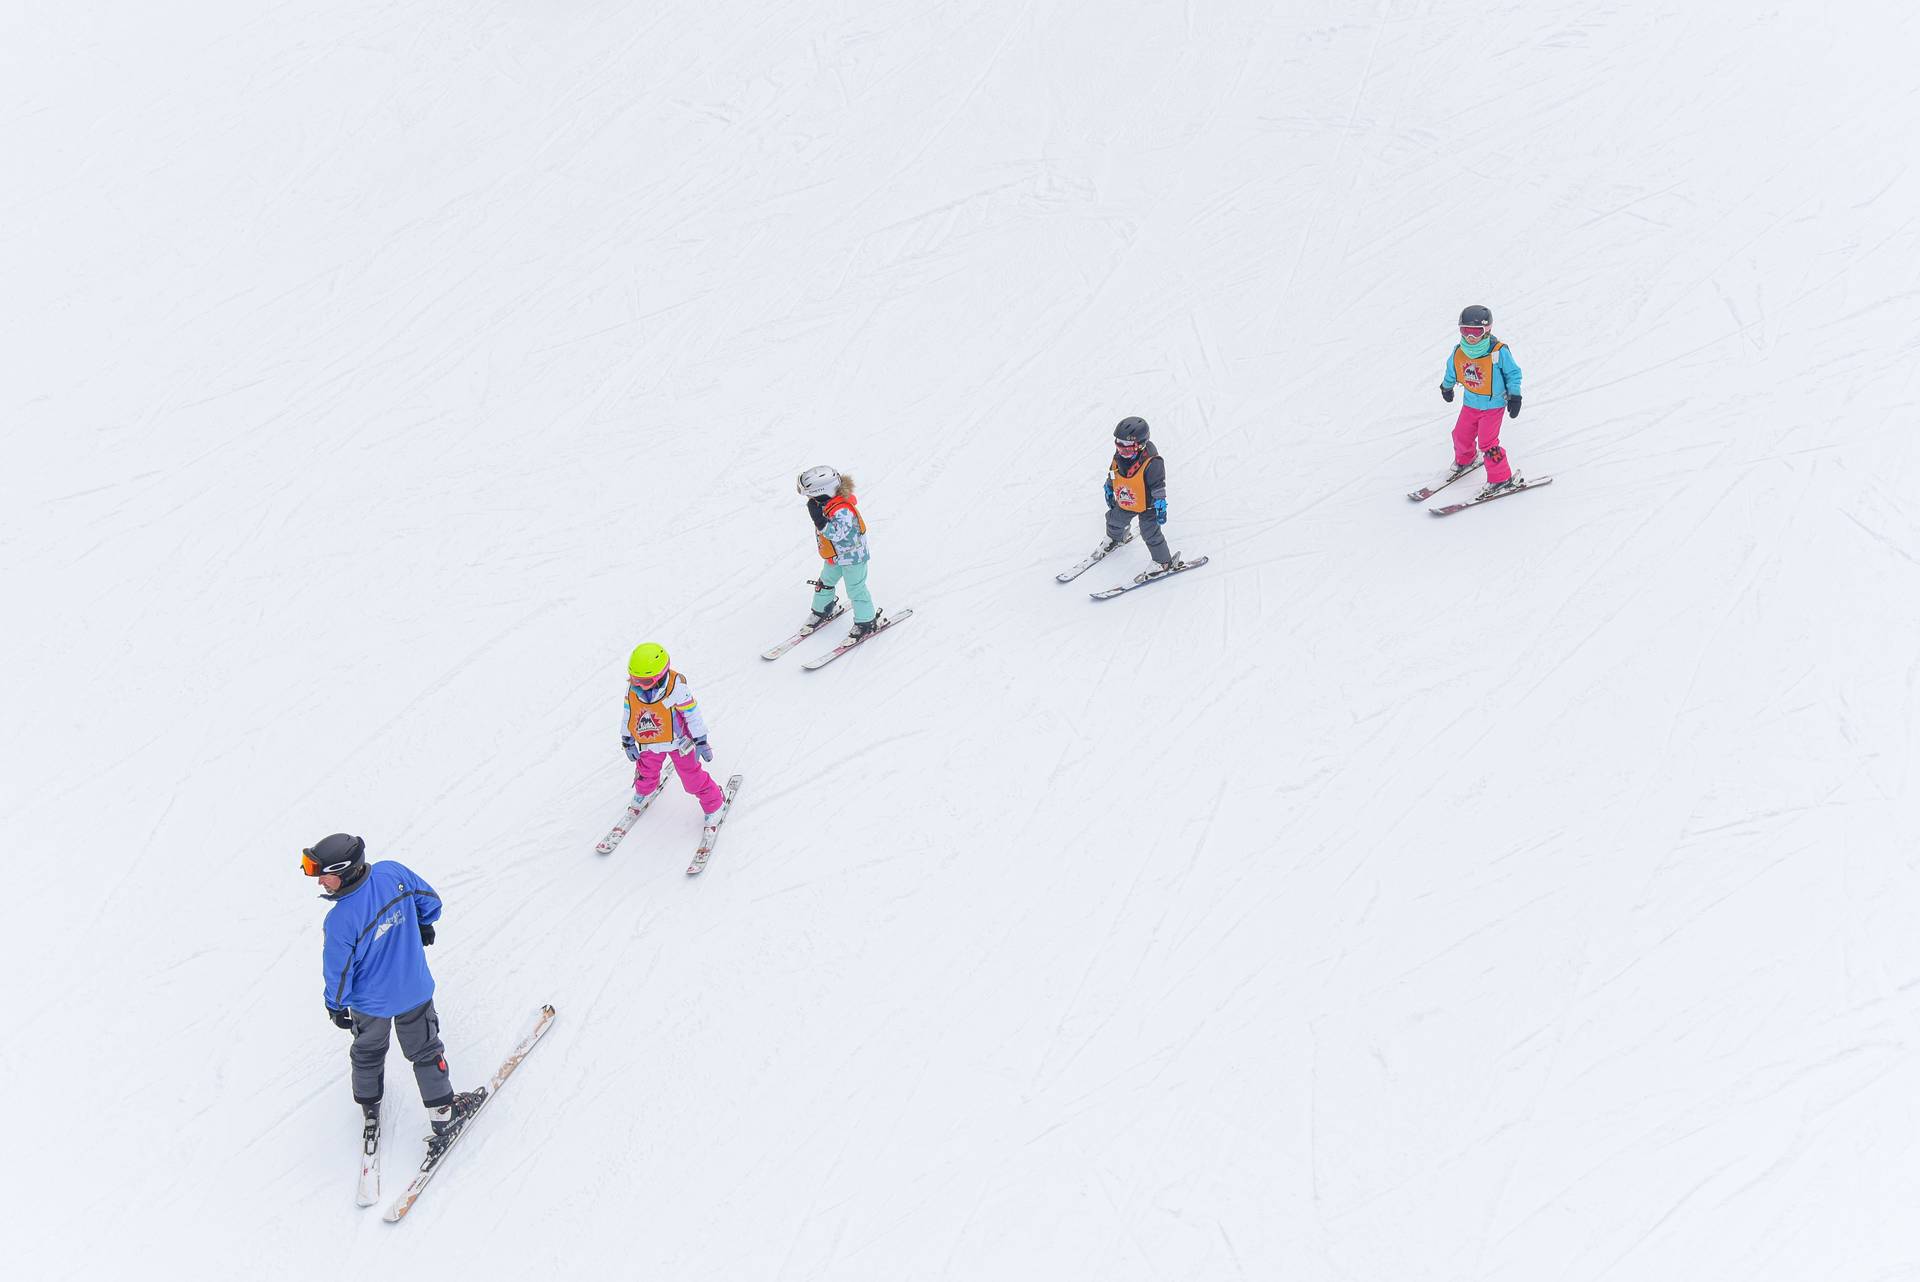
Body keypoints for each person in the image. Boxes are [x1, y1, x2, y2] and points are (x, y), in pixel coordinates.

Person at [305, 833, 481, 1148]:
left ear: (346, 871)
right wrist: (424, 922)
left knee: (367, 1051)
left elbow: (338, 972)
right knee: (425, 1050)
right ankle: (443, 1113)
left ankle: (369, 1106)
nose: (319, 882)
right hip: (413, 990)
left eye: (323, 875)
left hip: (370, 1004)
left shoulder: (340, 919)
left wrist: (335, 1004)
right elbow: (429, 900)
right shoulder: (392, 873)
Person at [623, 642, 727, 836]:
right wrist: (627, 739)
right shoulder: (633, 690)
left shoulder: (676, 689)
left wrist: (701, 740)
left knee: (691, 778)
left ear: (660, 675)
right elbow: (629, 714)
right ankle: (646, 791)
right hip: (649, 742)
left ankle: (715, 803)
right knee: (645, 771)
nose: (637, 685)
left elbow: (692, 714)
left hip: (679, 744)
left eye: (644, 681)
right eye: (634, 678)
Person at [1439, 304, 1525, 496]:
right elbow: (1452, 370)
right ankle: (1467, 458)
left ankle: (1501, 477)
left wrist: (1515, 396)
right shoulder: (1459, 352)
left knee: (1488, 443)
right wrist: (1446, 386)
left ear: (1487, 330)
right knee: (1460, 435)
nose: (1470, 337)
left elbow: (1513, 374)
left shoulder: (1498, 352)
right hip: (1470, 403)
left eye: (1476, 332)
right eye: (1465, 331)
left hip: (1493, 406)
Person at [797, 466, 884, 640]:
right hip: (835, 556)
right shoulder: (824, 503)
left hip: (853, 557)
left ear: (822, 492)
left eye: (810, 495)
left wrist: (820, 521)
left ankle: (866, 621)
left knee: (855, 589)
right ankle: (823, 609)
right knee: (825, 582)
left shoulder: (842, 510)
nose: (810, 499)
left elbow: (837, 534)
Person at [1101, 417, 1176, 568]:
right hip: (1127, 500)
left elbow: (1158, 486)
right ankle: (1115, 539)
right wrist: (1108, 486)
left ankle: (1163, 563)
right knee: (1114, 520)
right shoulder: (1118, 457)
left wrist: (1160, 503)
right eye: (1119, 446)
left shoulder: (1153, 462)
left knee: (1150, 533)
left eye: (1127, 448)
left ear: (1140, 445)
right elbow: (1113, 472)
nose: (1122, 451)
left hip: (1148, 505)